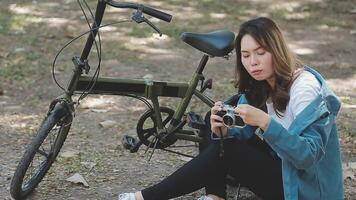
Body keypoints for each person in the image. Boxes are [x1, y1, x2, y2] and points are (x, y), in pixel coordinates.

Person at [118, 17, 344, 200]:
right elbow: (242, 134)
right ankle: (215, 196)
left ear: (277, 51)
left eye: (261, 53)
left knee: (228, 151)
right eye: (245, 56)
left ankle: (143, 198)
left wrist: (265, 123)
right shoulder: (261, 83)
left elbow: (307, 156)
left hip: (306, 189)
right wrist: (223, 130)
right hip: (283, 167)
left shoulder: (305, 89)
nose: (253, 62)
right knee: (213, 119)